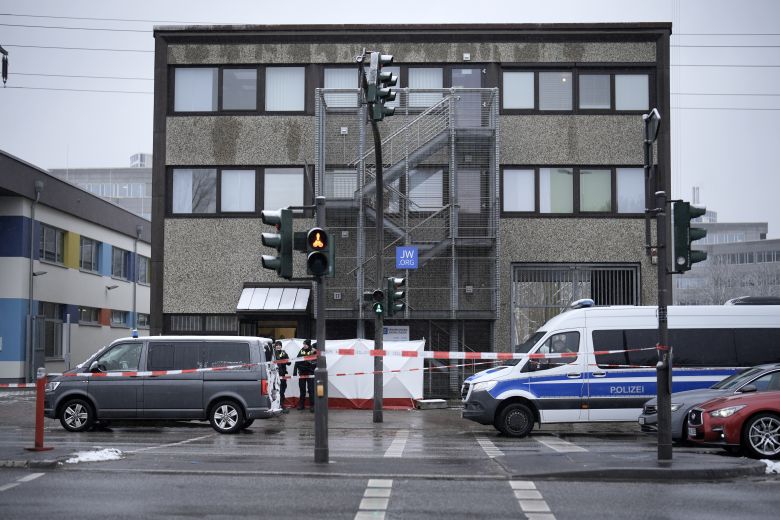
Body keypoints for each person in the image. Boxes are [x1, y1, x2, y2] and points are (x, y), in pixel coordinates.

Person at [293, 339, 317, 412]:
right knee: (302, 389)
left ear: (309, 344)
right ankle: (301, 405)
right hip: (302, 373)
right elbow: (297, 361)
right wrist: (295, 371)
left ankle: (312, 406)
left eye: (305, 344)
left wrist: (309, 365)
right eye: (303, 344)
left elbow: (315, 362)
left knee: (311, 390)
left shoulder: (313, 351)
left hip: (310, 373)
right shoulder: (301, 351)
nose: (304, 345)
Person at [274, 340, 291, 412]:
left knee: (283, 389)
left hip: (282, 374)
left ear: (281, 346)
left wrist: (285, 358)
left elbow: (289, 363)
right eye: (277, 345)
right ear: (275, 346)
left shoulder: (283, 353)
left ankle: (282, 404)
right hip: (275, 375)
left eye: (279, 345)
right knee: (277, 390)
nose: (278, 346)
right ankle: (278, 405)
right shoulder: (273, 353)